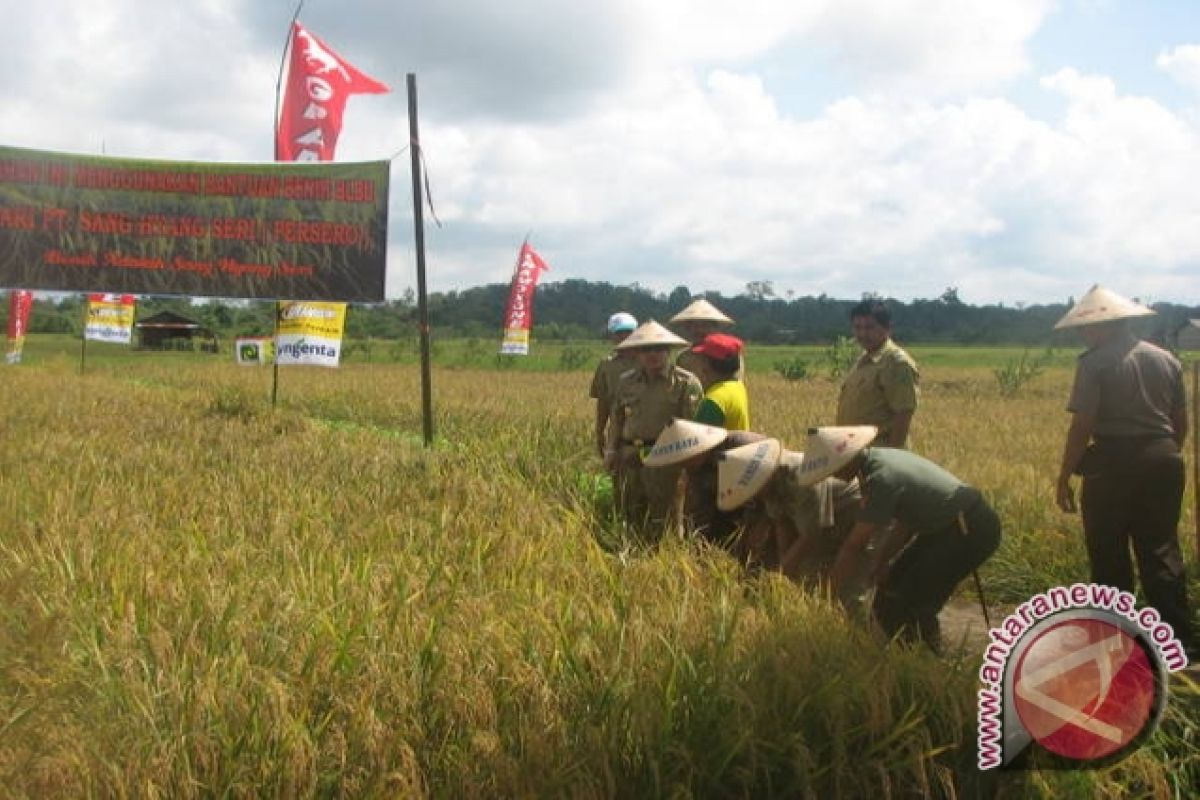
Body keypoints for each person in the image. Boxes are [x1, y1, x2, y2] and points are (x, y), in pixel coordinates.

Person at [1053, 285, 1195, 657]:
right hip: (1164, 458)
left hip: (1112, 462)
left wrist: (1065, 475)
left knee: (1108, 551)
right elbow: (1181, 422)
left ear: (1105, 325)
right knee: (1161, 549)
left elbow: (1083, 425)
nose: (1083, 334)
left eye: (1086, 327)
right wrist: (1160, 455)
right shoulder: (1167, 360)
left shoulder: (1095, 363)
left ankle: (1115, 642)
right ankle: (1179, 644)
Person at [796, 426, 1001, 653]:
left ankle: (927, 665)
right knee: (889, 592)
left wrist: (826, 595)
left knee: (911, 603)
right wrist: (883, 564)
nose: (834, 476)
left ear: (847, 460)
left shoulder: (881, 477)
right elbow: (905, 522)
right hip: (944, 528)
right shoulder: (879, 461)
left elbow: (854, 546)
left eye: (834, 469)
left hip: (968, 529)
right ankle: (905, 654)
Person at [715, 437, 863, 594]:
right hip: (818, 519)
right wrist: (784, 568)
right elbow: (781, 523)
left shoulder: (803, 478)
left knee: (835, 576)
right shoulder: (768, 484)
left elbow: (812, 535)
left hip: (851, 515)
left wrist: (779, 574)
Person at [605, 321, 703, 537]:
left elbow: (693, 431)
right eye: (646, 349)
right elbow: (617, 419)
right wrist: (611, 450)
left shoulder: (685, 383)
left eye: (658, 348)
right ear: (637, 353)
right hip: (629, 456)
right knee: (628, 517)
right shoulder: (626, 382)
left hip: (667, 459)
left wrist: (688, 468)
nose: (652, 354)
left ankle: (666, 564)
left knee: (666, 522)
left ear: (668, 351)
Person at [643, 418, 765, 545]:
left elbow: (765, 495)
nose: (683, 466)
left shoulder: (741, 447)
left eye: (685, 459)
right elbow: (697, 516)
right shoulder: (696, 471)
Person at [836, 299, 919, 448]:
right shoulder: (863, 360)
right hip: (856, 454)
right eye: (857, 327)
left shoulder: (896, 362)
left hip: (880, 456)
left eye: (869, 327)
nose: (862, 333)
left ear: (887, 329)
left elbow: (903, 413)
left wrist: (893, 459)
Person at [589, 312, 638, 461]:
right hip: (618, 432)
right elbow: (603, 401)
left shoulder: (649, 361)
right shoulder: (607, 365)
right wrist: (599, 431)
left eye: (628, 332)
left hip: (647, 429)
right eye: (619, 333)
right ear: (612, 336)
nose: (624, 337)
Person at [669, 298, 743, 389]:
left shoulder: (728, 354)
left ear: (715, 328)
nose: (700, 330)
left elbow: (733, 383)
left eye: (705, 325)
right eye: (695, 326)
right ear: (688, 328)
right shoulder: (683, 357)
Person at [691, 333, 750, 431]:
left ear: (709, 363)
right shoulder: (737, 386)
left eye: (702, 359)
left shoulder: (713, 401)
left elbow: (698, 442)